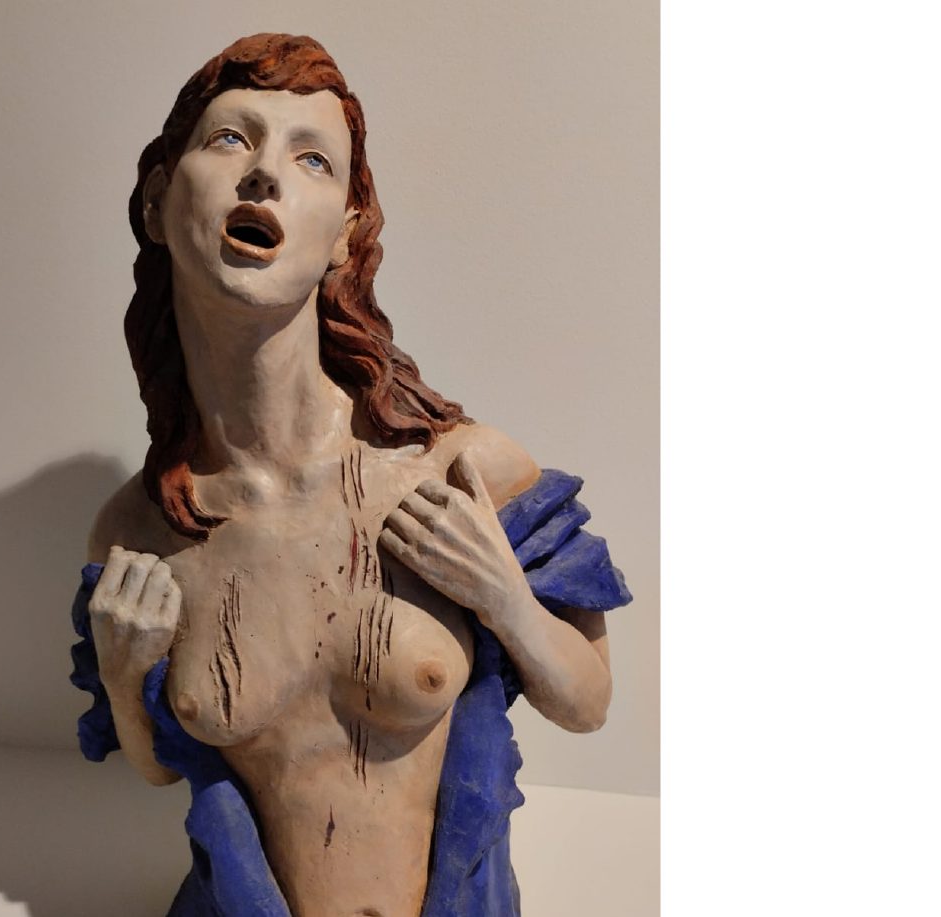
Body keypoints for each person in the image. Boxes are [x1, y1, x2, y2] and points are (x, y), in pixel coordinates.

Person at [68, 33, 631, 917]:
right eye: (229, 139)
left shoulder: (456, 473)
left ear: (345, 233)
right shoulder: (140, 531)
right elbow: (157, 766)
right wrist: (121, 675)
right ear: (155, 202)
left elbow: (587, 703)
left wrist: (503, 596)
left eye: (312, 160)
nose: (264, 174)